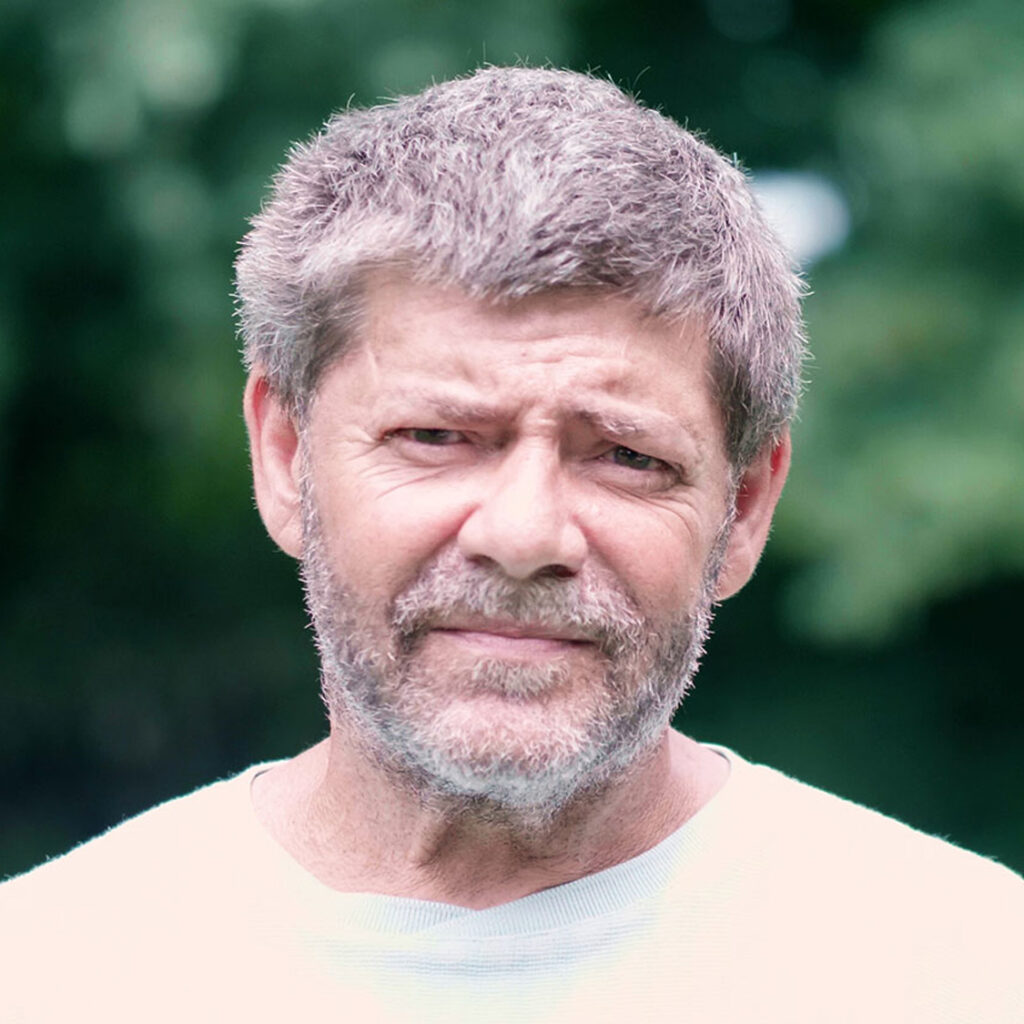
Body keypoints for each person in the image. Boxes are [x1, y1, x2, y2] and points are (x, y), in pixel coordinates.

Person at [1, 66, 1020, 1023]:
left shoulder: (965, 971)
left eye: (624, 454)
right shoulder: (51, 973)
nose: (525, 535)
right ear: (283, 454)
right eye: (437, 437)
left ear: (744, 507)